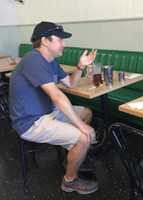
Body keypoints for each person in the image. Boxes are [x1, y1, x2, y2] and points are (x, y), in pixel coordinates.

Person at [9, 21, 98, 194]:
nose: (63, 44)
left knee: (86, 113)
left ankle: (73, 156)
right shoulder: (33, 59)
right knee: (83, 137)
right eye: (60, 40)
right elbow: (57, 96)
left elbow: (71, 83)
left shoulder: (50, 61)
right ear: (45, 41)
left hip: (49, 113)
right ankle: (69, 181)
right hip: (31, 122)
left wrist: (80, 66)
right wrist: (81, 127)